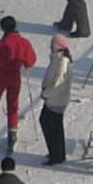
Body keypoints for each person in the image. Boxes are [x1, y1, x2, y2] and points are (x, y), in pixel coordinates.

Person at [0, 16, 36, 157]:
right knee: (13, 106)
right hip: (15, 76)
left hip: (1, 77)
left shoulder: (2, 44)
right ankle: (12, 136)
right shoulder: (24, 42)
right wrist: (22, 63)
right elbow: (31, 61)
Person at [38, 35, 72, 166]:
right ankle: (58, 153)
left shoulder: (62, 61)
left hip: (56, 100)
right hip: (54, 99)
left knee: (51, 126)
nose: (51, 46)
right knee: (53, 126)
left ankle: (56, 155)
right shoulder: (57, 58)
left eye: (53, 44)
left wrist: (45, 93)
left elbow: (58, 84)